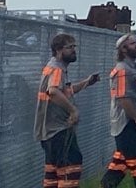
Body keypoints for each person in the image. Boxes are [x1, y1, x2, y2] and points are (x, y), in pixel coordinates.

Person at [34, 33, 100, 188]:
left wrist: (87, 82)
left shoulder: (54, 67)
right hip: (58, 129)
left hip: (50, 131)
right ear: (58, 50)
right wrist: (73, 111)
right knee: (71, 167)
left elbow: (64, 90)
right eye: (70, 47)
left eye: (74, 46)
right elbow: (54, 91)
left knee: (53, 173)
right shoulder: (57, 69)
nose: (74, 50)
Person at [101, 34, 136, 188]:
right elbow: (123, 98)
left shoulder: (132, 68)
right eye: (133, 43)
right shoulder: (122, 70)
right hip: (127, 125)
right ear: (124, 49)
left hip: (132, 123)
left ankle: (107, 184)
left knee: (121, 162)